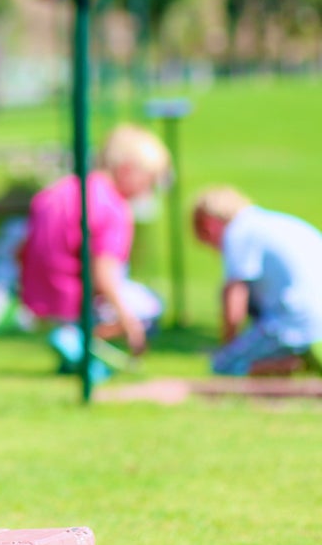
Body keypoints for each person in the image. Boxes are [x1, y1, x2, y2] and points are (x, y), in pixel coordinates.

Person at [19, 124, 171, 376]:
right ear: (127, 170)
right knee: (151, 308)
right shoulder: (112, 206)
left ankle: (72, 341)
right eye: (148, 181)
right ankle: (80, 342)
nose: (148, 191)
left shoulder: (60, 190)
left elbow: (21, 249)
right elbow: (104, 273)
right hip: (78, 300)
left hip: (39, 299)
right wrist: (128, 322)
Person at [192, 186, 322, 376]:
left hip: (294, 322)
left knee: (223, 366)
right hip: (312, 315)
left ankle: (288, 363)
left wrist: (228, 347)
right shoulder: (274, 222)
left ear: (210, 224)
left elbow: (235, 298)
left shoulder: (239, 233)